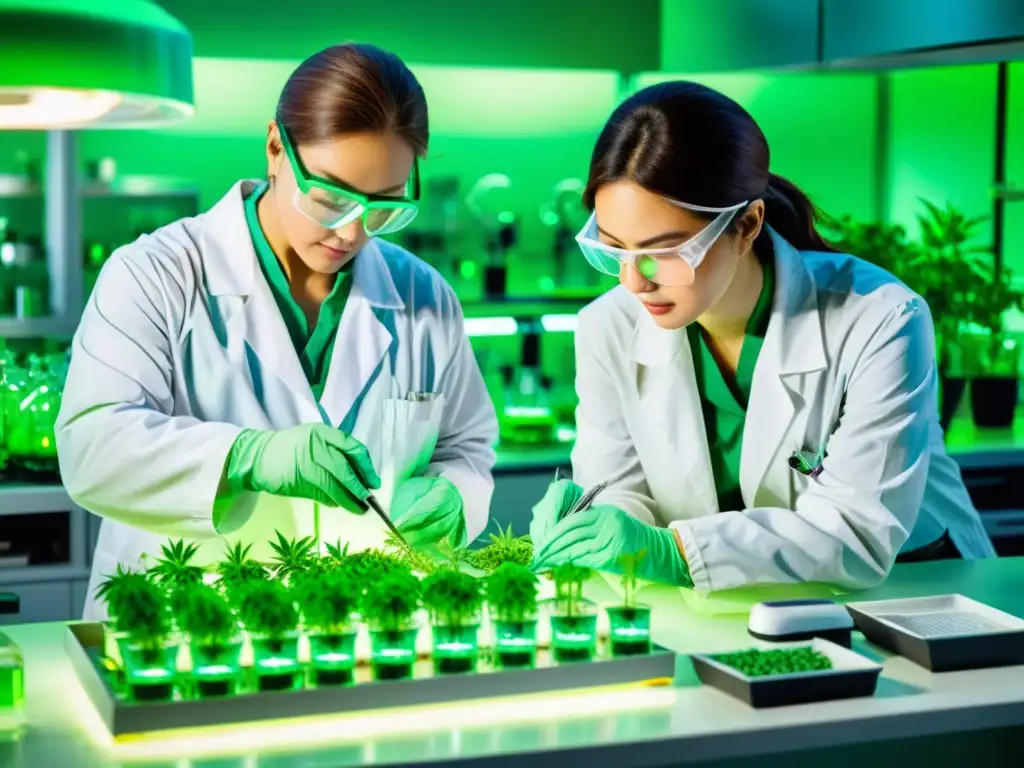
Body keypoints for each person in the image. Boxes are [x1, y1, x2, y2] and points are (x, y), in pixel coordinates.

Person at [57, 43, 498, 619]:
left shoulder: (423, 295)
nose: (352, 231)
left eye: (384, 208)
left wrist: (454, 498)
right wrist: (246, 455)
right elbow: (92, 449)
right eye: (330, 198)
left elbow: (467, 448)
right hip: (182, 624)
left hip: (357, 628)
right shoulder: (155, 274)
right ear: (274, 148)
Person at [529, 81, 995, 593]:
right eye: (614, 250)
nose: (634, 281)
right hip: (748, 599)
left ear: (747, 224)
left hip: (917, 586)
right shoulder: (607, 326)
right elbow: (620, 491)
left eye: (663, 251)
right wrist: (596, 521)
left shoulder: (879, 318)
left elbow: (856, 530)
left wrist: (671, 551)